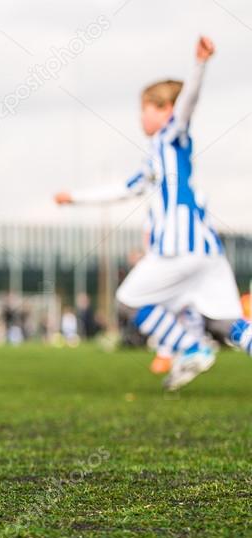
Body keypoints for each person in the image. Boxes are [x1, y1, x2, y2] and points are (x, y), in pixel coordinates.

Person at [55, 36, 252, 390]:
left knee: (128, 303)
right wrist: (76, 197)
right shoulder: (154, 160)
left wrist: (200, 65)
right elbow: (122, 189)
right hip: (208, 252)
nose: (140, 117)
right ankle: (193, 345)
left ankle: (190, 347)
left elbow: (187, 105)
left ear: (163, 110)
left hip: (178, 249)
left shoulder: (172, 137)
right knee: (227, 324)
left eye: (144, 109)